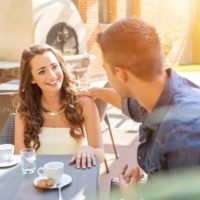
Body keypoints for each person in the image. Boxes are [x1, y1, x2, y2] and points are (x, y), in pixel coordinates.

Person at [79, 17, 200, 194]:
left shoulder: (182, 135)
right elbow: (130, 105)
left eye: (106, 69)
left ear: (120, 74)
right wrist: (95, 91)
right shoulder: (162, 89)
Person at [15, 44, 104, 169]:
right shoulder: (24, 109)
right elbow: (19, 156)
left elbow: (100, 154)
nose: (52, 76)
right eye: (41, 71)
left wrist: (89, 150)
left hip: (76, 177)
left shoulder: (84, 104)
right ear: (32, 79)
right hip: (38, 181)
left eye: (54, 66)